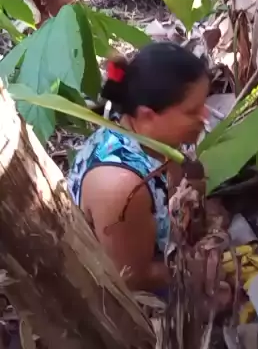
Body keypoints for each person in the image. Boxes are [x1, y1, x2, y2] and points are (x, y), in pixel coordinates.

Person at [67, 42, 213, 293]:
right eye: (192, 111)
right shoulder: (123, 188)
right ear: (147, 116)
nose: (206, 117)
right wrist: (198, 269)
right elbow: (132, 278)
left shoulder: (157, 139)